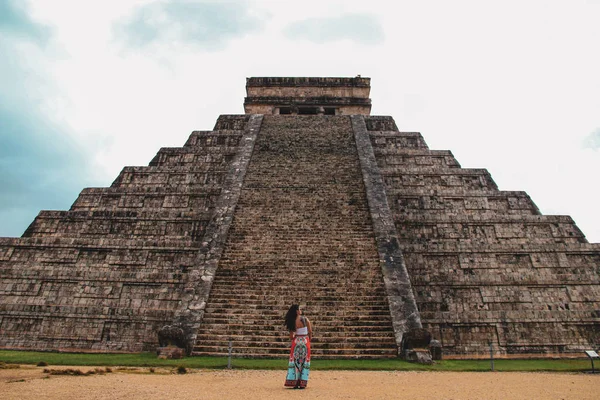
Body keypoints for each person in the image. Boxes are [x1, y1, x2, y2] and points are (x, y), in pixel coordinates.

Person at [284, 304, 312, 389]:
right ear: (297, 311)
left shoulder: (292, 321)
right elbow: (310, 331)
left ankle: (295, 382)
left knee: (295, 362)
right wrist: (308, 340)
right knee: (304, 362)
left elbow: (291, 336)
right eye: (299, 309)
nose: (301, 310)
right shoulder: (305, 319)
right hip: (305, 341)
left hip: (296, 342)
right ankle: (302, 382)